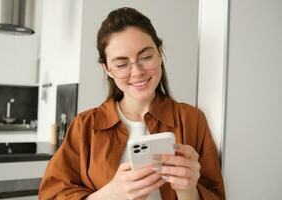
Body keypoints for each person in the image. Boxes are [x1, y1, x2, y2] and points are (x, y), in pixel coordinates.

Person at [39, 7, 225, 200]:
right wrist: (109, 194)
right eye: (121, 64)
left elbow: (217, 195)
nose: (137, 72)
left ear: (160, 53)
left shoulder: (192, 120)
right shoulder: (84, 126)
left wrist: (188, 191)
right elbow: (50, 194)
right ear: (107, 69)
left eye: (145, 57)